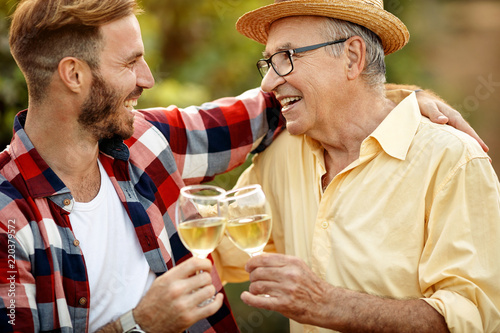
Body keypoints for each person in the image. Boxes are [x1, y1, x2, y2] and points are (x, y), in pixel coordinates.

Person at [0, 0, 487, 332]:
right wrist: (140, 324)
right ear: (74, 75)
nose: (148, 79)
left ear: (354, 56)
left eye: (287, 57)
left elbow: (305, 102)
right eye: (130, 63)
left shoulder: (147, 140)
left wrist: (403, 104)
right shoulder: (9, 218)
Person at [214, 0, 500, 332]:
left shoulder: (451, 159)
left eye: (287, 58)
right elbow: (214, 251)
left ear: (352, 57)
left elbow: (475, 317)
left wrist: (326, 304)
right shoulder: (280, 157)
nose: (268, 84)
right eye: (269, 62)